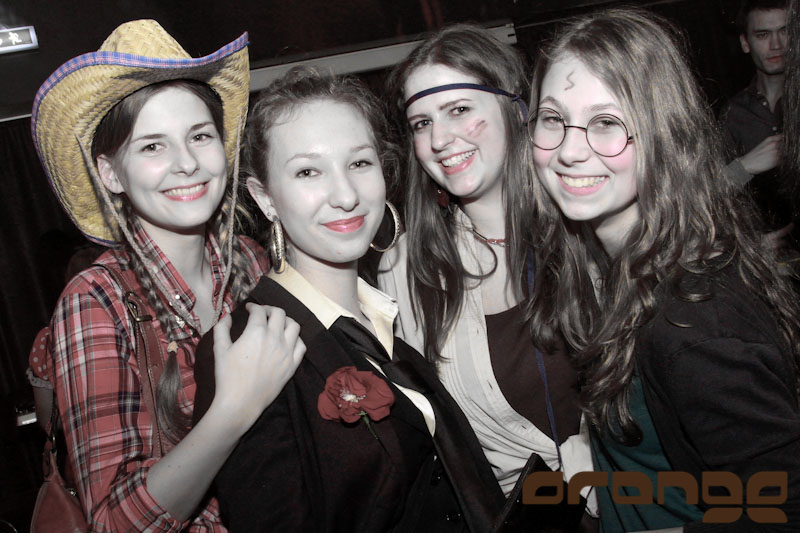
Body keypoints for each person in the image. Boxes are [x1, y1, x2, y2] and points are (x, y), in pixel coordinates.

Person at [191, 67, 508, 532]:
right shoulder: (249, 345)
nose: (345, 195)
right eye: (308, 171)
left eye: (359, 163)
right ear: (266, 198)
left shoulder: (387, 317)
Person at [527, 7, 800, 531]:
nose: (569, 150)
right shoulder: (614, 268)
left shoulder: (694, 321)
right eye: (553, 119)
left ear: (663, 133)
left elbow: (784, 509)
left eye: (607, 122)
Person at [30, 20, 304, 531]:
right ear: (111, 173)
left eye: (199, 136)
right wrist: (232, 410)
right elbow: (114, 523)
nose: (187, 164)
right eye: (152, 146)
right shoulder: (96, 300)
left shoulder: (252, 261)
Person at [378, 23, 596, 529]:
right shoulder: (405, 271)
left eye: (459, 110)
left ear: (516, 109)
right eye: (421, 123)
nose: (439, 139)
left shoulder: (590, 225)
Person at [721, 0, 795, 246]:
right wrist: (745, 166)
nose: (776, 45)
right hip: (764, 255)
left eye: (785, 31)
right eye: (763, 35)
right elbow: (709, 194)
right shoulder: (733, 113)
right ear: (745, 43)